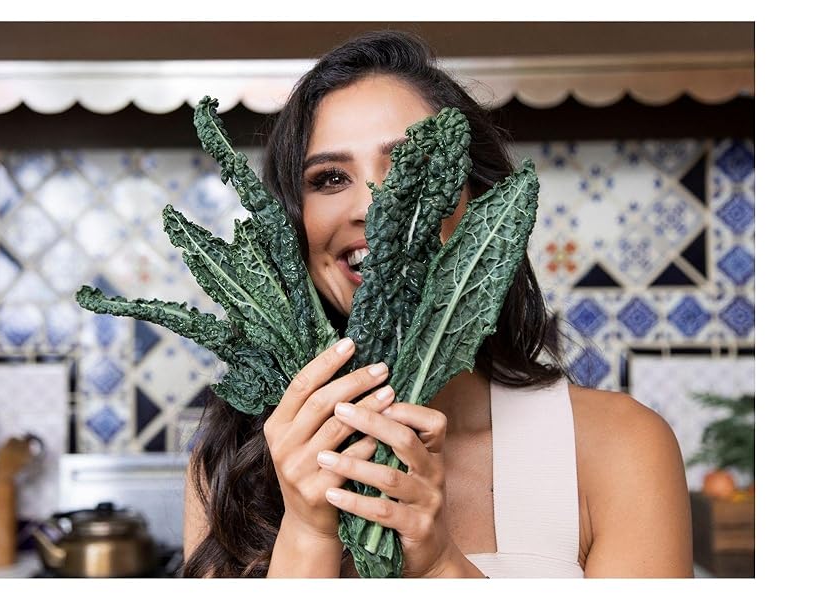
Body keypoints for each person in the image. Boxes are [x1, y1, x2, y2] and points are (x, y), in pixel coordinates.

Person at [181, 30, 693, 578]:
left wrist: (439, 564)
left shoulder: (621, 449)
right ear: (290, 229)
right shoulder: (231, 466)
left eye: (409, 167)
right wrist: (307, 531)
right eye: (330, 178)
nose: (373, 206)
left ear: (479, 206)